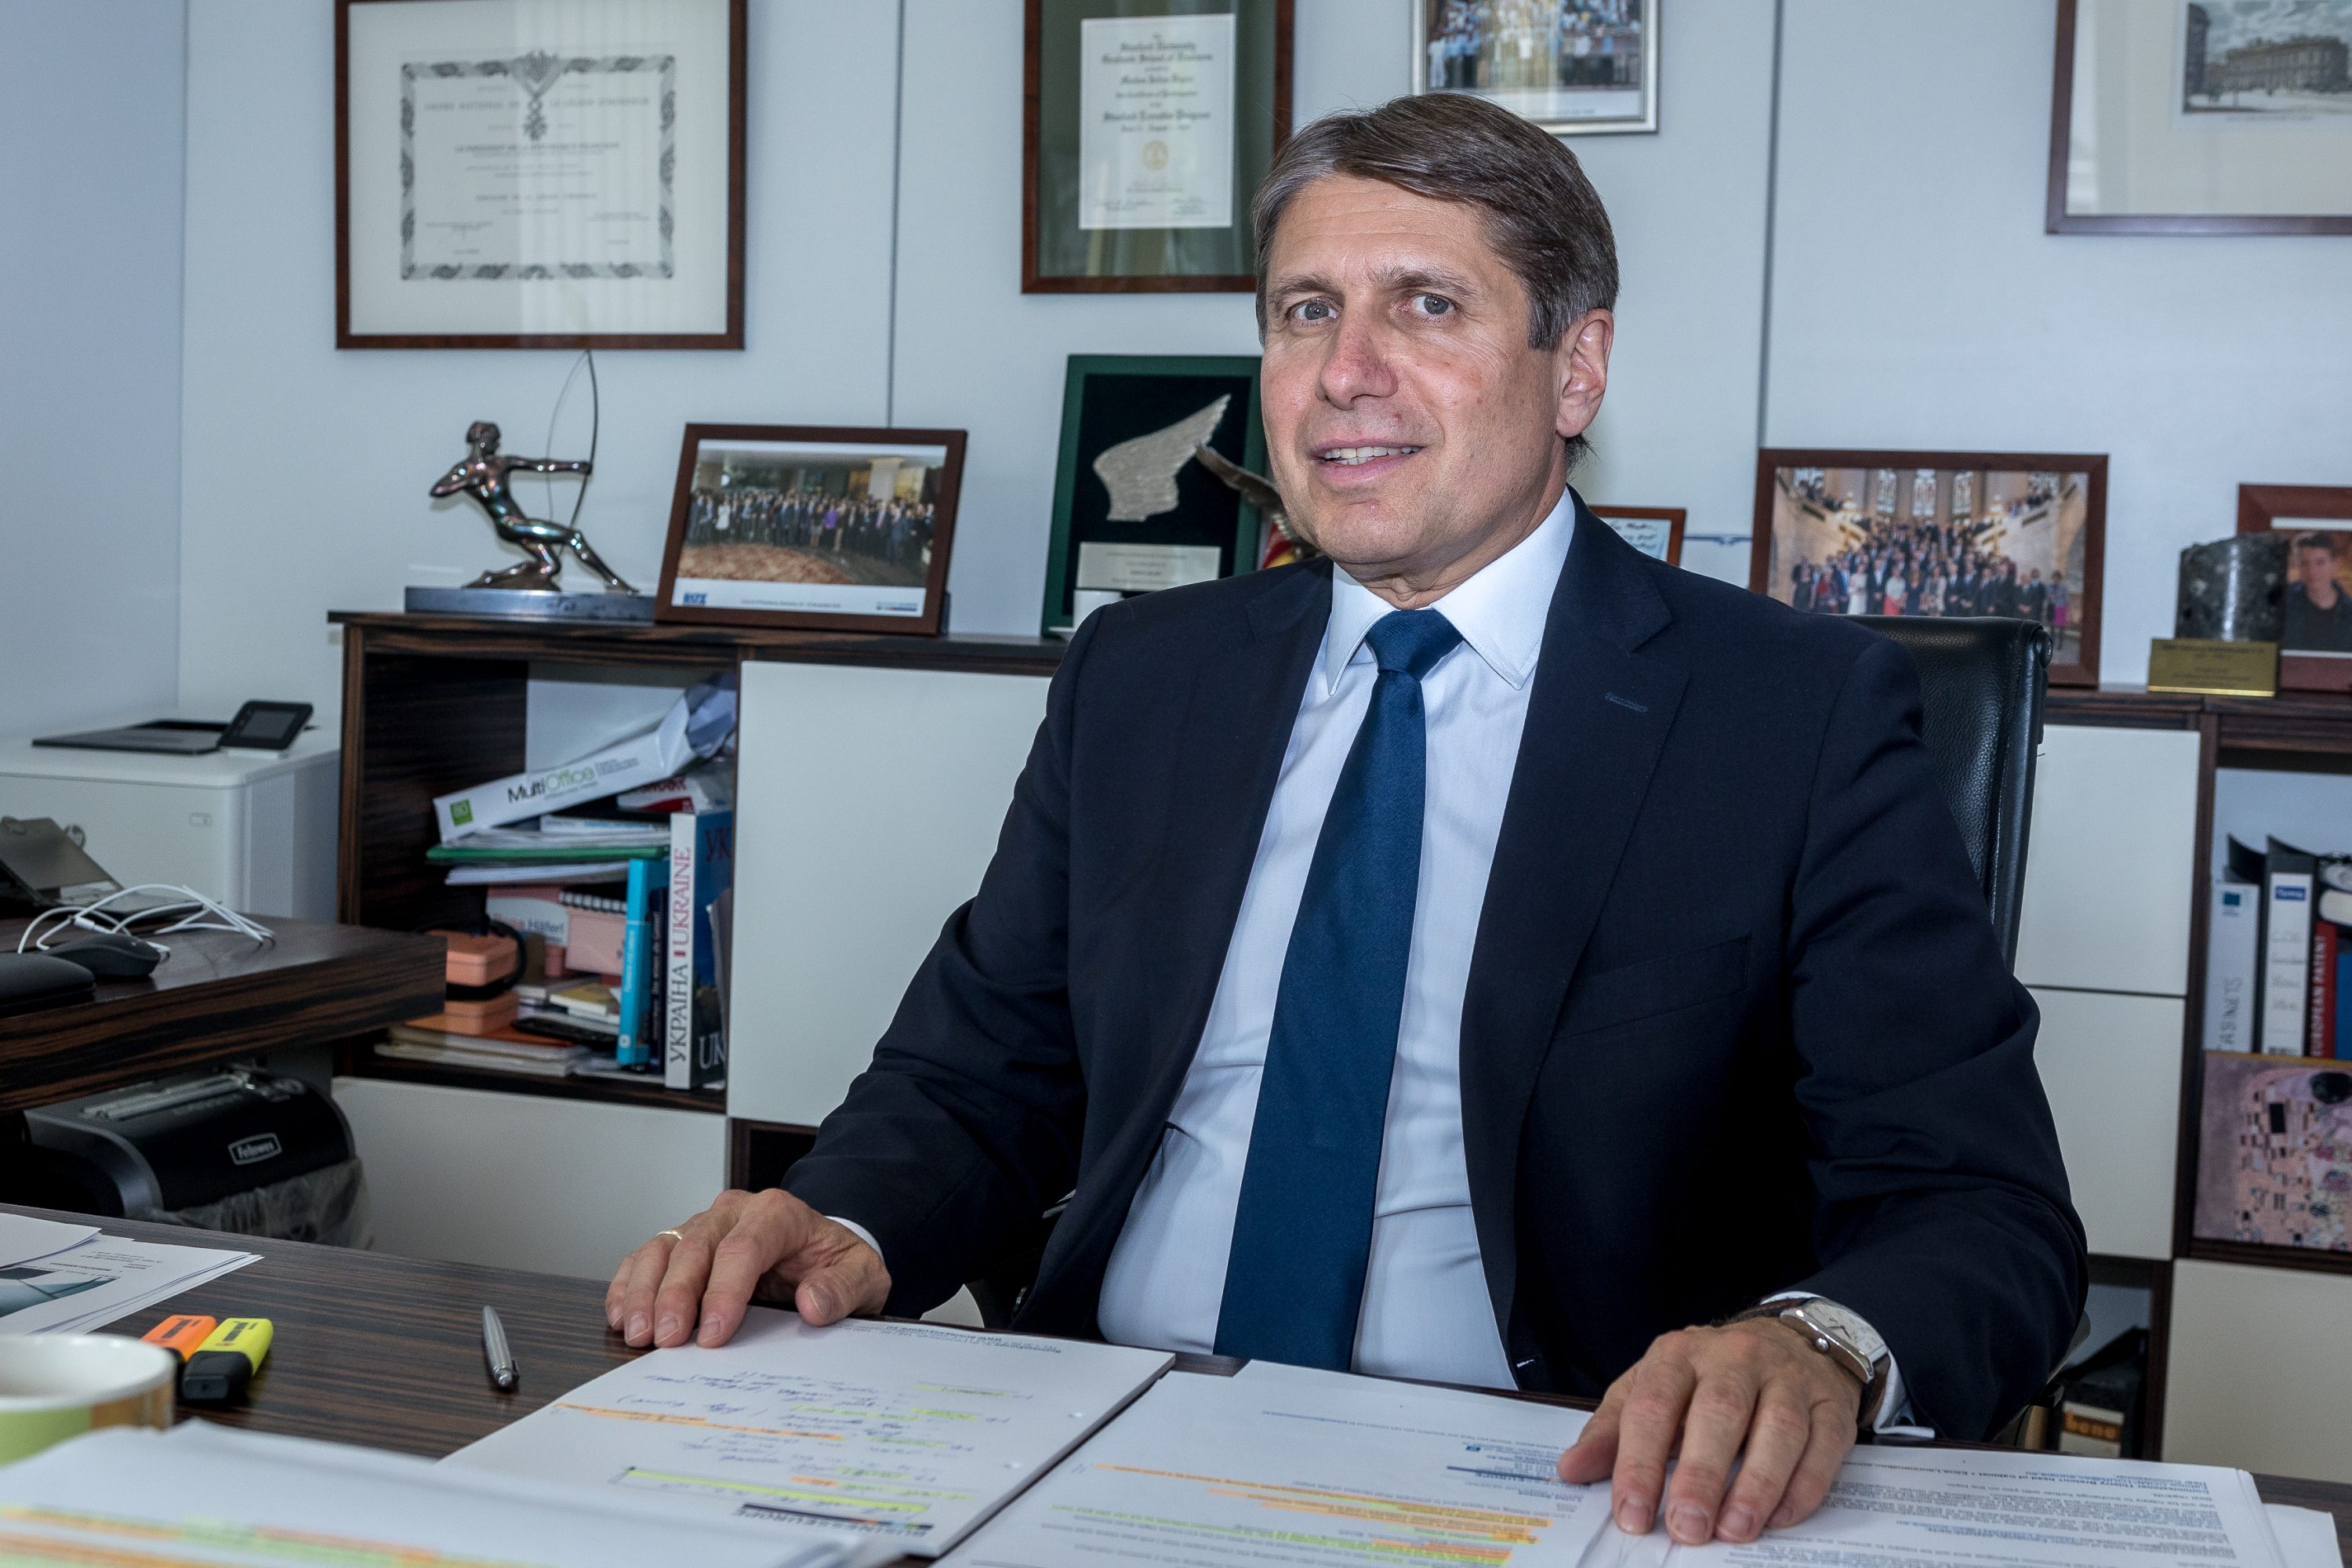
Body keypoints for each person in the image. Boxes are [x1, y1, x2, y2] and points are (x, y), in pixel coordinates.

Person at [611, 93, 2082, 1551]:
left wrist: (1815, 1343)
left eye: (1427, 306)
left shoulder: (1790, 714)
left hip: (1552, 1468)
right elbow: (984, 1071)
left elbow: (1979, 1209)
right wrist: (844, 1222)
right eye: (1304, 311)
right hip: (1093, 1428)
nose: (1346, 373)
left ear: (1578, 369)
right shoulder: (1145, 676)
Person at [2282, 532, 2352, 653]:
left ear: (2336, 563)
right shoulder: (2281, 601)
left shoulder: (2349, 612)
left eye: (2320, 563)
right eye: (2304, 563)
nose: (2312, 572)